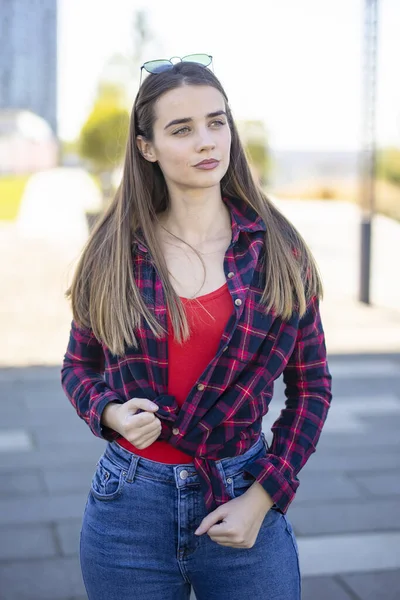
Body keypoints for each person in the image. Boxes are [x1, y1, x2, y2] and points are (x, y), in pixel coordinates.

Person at [61, 54, 332, 600]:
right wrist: (109, 412)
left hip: (242, 494)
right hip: (127, 511)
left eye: (216, 121)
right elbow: (77, 367)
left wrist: (264, 497)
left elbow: (312, 389)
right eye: (181, 129)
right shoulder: (114, 253)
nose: (207, 141)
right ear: (147, 147)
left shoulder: (279, 250)